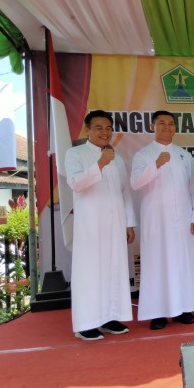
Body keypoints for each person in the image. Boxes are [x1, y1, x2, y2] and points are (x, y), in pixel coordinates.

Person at [65, 110, 136, 341]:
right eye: (98, 128)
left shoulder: (117, 158)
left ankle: (110, 317)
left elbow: (124, 193)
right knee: (90, 273)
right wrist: (99, 165)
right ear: (87, 129)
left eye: (108, 128)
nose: (105, 132)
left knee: (114, 270)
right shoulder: (75, 154)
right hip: (90, 226)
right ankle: (86, 323)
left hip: (115, 225)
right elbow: (76, 183)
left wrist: (129, 222)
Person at [130, 110, 194, 330]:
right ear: (153, 127)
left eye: (171, 123)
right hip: (157, 220)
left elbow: (193, 189)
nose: (166, 127)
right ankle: (158, 312)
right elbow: (135, 183)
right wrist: (156, 165)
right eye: (161, 123)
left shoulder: (184, 155)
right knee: (157, 264)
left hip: (182, 220)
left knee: (183, 263)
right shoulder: (143, 155)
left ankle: (184, 308)